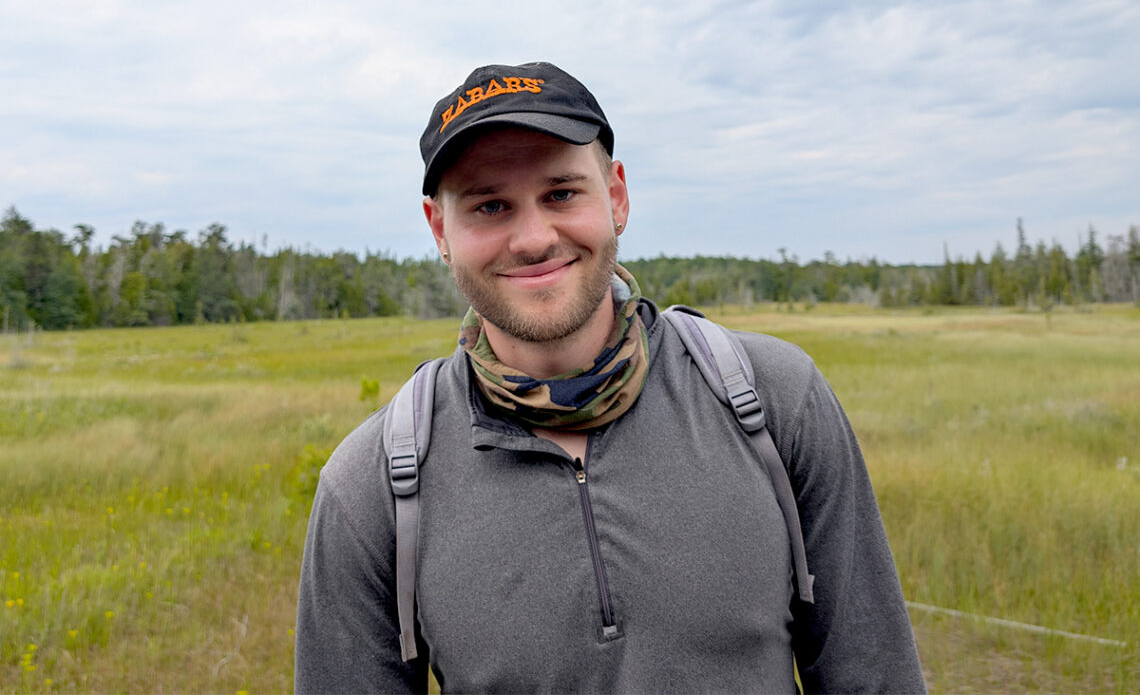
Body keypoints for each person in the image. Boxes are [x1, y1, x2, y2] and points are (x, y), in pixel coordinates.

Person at [294, 62, 926, 693]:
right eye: (490, 205)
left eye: (562, 193)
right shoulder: (374, 483)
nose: (534, 238)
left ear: (616, 196)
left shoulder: (774, 400)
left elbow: (875, 675)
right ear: (440, 230)